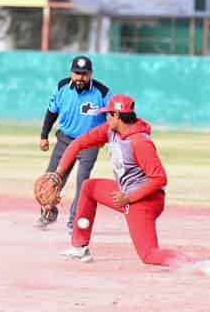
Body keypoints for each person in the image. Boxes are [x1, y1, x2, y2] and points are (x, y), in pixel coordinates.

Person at [56, 94, 190, 266]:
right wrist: (58, 174)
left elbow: (159, 178)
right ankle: (79, 247)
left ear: (117, 115)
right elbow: (78, 143)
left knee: (149, 255)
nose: (106, 117)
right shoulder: (111, 131)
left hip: (145, 201)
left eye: (108, 114)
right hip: (126, 195)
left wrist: (129, 198)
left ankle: (197, 263)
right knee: (89, 187)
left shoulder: (140, 142)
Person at [36, 55, 112, 233]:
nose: (80, 77)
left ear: (90, 74)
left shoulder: (102, 92)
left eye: (84, 74)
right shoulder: (62, 87)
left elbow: (113, 117)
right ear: (71, 73)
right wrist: (44, 135)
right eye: (77, 73)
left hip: (89, 143)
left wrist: (105, 138)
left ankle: (74, 221)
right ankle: (48, 213)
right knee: (52, 178)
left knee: (82, 181)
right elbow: (51, 112)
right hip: (65, 140)